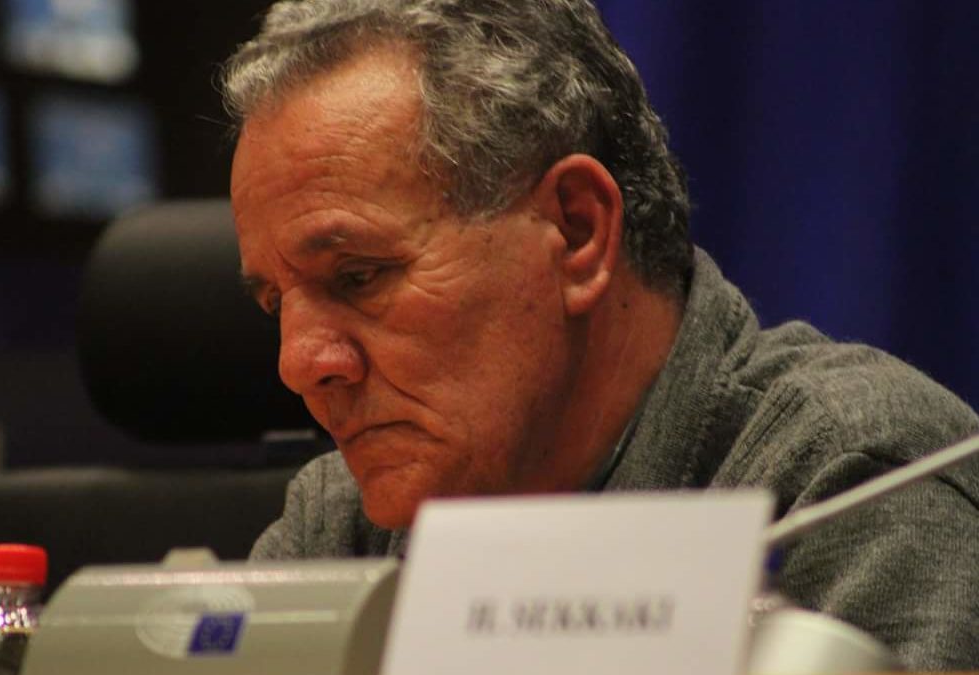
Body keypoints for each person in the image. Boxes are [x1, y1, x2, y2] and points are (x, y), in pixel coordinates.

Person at [222, 0, 979, 668]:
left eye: (358, 276)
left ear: (577, 231)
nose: (299, 363)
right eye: (275, 304)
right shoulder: (343, 523)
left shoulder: (856, 480)